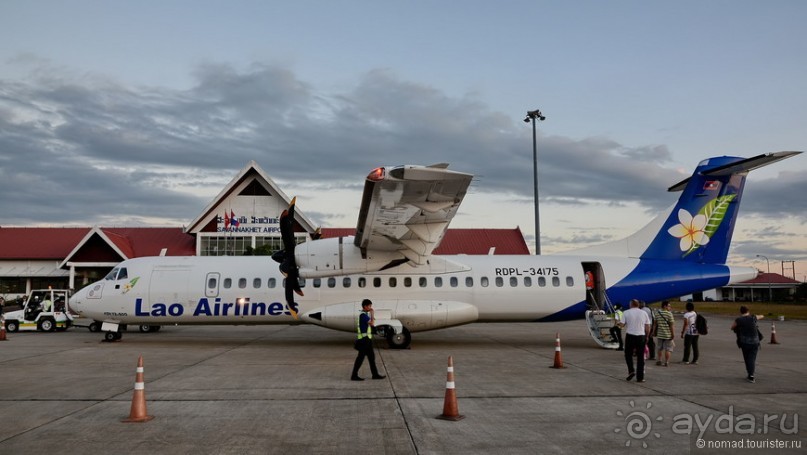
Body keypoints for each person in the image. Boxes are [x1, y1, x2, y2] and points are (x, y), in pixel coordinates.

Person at [350, 299, 386, 381]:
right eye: (369, 306)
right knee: (360, 358)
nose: (370, 307)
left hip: (367, 340)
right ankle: (354, 375)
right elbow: (372, 323)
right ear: (365, 306)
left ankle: (375, 374)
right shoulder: (363, 315)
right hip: (364, 340)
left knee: (371, 357)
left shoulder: (365, 314)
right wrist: (372, 313)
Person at [731, 306, 764, 383]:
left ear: (740, 311)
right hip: (755, 342)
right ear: (748, 311)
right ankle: (750, 374)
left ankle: (751, 375)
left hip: (744, 342)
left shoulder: (739, 320)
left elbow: (732, 327)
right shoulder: (753, 318)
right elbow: (761, 316)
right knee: (752, 358)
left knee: (747, 358)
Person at [622, 299, 651, 382]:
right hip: (641, 336)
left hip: (630, 336)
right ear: (638, 305)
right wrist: (647, 336)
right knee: (640, 357)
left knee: (628, 354)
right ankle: (640, 377)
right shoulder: (644, 313)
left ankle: (631, 370)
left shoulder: (626, 312)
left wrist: (617, 323)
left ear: (630, 305)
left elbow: (622, 324)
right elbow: (647, 326)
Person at [654, 301, 675, 367]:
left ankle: (659, 360)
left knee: (659, 348)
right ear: (665, 306)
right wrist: (672, 334)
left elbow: (655, 324)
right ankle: (666, 362)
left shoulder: (657, 313)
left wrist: (653, 332)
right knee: (668, 349)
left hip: (660, 334)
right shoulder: (669, 314)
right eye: (669, 306)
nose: (670, 307)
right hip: (667, 334)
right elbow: (671, 325)